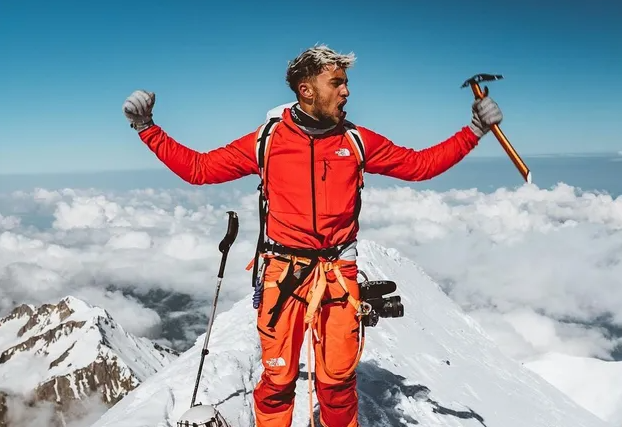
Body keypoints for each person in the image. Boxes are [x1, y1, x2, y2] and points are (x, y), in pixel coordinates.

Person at [122, 44, 503, 427]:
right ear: (306, 90)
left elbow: (420, 166)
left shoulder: (356, 141)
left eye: (346, 83)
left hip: (338, 272)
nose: (346, 91)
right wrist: (146, 127)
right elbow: (199, 169)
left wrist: (474, 130)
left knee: (337, 382)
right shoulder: (268, 140)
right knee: (278, 380)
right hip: (283, 273)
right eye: (336, 83)